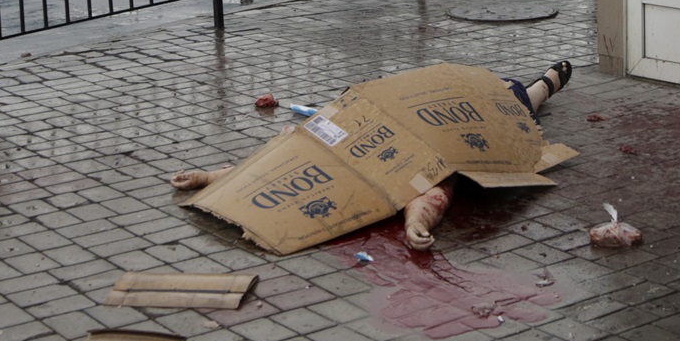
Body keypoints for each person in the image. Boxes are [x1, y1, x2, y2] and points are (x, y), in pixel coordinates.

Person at [170, 61, 573, 251]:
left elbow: (434, 184)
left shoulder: (503, 105)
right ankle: (550, 80)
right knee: (525, 94)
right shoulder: (476, 91)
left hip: (482, 106)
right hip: (442, 106)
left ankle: (550, 80)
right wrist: (214, 176)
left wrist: (416, 220)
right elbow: (299, 148)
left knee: (525, 96)